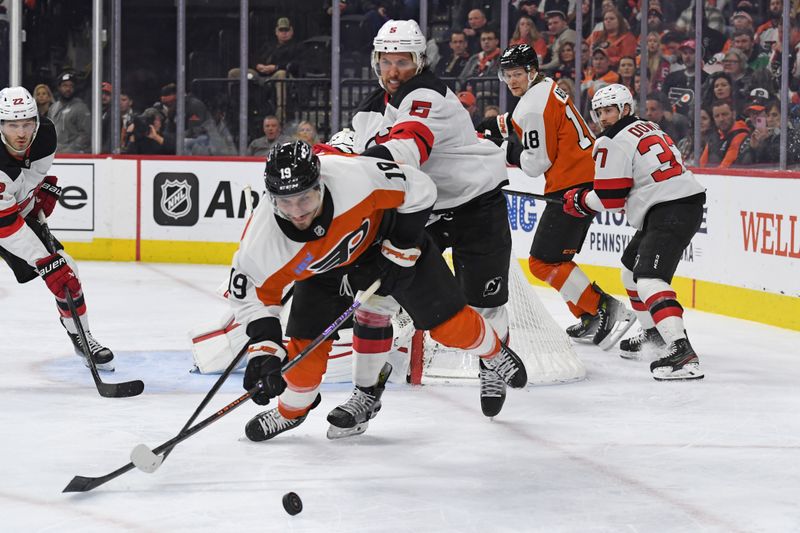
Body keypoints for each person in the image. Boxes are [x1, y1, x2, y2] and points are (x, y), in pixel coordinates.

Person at [229, 141, 527, 441]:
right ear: (270, 198)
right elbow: (250, 297)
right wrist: (264, 350)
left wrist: (400, 246)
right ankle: (291, 413)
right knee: (302, 356)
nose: (297, 213)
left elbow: (420, 187)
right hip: (322, 272)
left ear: (320, 184)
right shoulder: (261, 242)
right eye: (285, 202)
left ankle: (493, 352)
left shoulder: (354, 177)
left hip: (384, 245)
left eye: (304, 199)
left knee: (450, 326)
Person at [351, 19, 516, 417]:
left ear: (420, 60)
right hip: (425, 213)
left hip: (477, 205)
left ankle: (492, 363)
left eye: (403, 61)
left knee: (484, 302)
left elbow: (407, 148)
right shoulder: (375, 107)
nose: (393, 70)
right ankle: (365, 393)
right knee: (375, 299)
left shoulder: (426, 94)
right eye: (386, 60)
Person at [492, 44, 634, 348]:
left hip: (573, 185)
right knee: (555, 258)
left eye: (518, 73)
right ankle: (588, 315)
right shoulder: (548, 87)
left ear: (531, 72)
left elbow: (537, 164)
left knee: (541, 262)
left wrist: (509, 151)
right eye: (508, 75)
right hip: (584, 176)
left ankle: (603, 308)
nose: (513, 80)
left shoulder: (529, 106)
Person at [561, 84, 706, 380]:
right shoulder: (647, 126)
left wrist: (579, 200)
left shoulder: (610, 140)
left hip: (669, 207)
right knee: (630, 270)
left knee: (649, 279)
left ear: (625, 109)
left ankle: (681, 350)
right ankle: (654, 333)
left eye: (609, 110)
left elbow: (611, 199)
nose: (603, 117)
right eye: (599, 111)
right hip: (674, 203)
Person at [0, 86, 115, 371]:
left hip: (9, 215)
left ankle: (82, 337)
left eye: (27, 123)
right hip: (5, 222)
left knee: (68, 272)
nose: (22, 133)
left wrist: (36, 195)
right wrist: (45, 261)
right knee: (55, 267)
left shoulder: (46, 135)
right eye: (13, 125)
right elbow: (6, 227)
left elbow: (26, 182)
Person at [47, 72, 91, 154]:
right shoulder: (53, 108)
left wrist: (70, 149)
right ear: (59, 87)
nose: (68, 89)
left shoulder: (81, 107)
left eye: (71, 86)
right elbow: (49, 132)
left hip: (73, 155)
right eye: (65, 85)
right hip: (54, 154)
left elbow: (85, 134)